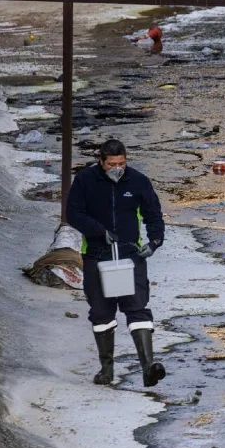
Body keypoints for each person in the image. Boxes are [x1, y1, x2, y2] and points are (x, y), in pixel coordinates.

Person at [67, 139, 167, 387]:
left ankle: (148, 367)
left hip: (130, 255)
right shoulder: (85, 181)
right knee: (101, 313)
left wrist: (154, 242)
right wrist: (99, 231)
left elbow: (153, 214)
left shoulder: (139, 181)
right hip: (96, 255)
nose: (117, 168)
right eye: (112, 164)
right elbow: (74, 213)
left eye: (121, 163)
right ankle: (106, 369)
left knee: (137, 308)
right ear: (101, 162)